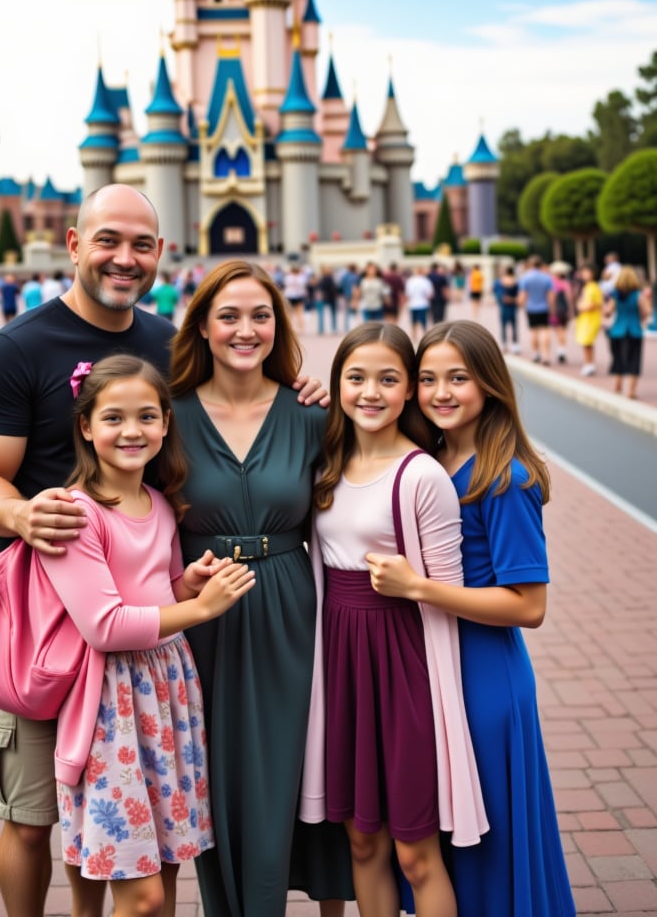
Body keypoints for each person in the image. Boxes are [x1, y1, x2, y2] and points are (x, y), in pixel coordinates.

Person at [0, 184, 324, 917]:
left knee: (140, 820)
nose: (124, 259)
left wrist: (299, 386)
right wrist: (30, 516)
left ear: (160, 254)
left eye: (141, 244)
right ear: (73, 244)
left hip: (145, 622)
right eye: (108, 241)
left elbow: (232, 404)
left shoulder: (167, 345)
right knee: (34, 816)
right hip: (45, 625)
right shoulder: (14, 350)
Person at [169, 260, 354, 917]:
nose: (245, 330)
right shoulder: (169, 418)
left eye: (260, 316)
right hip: (204, 615)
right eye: (229, 316)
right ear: (203, 328)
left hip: (290, 614)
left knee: (294, 767)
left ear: (278, 325)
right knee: (217, 774)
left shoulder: (311, 417)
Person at [40, 354, 255, 916]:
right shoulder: (77, 515)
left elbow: (155, 590)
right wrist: (201, 610)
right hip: (110, 704)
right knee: (143, 897)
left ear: (165, 423)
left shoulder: (158, 503)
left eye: (146, 417)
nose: (131, 431)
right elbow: (107, 626)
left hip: (167, 697)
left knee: (163, 865)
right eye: (113, 418)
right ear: (86, 426)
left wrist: (188, 584)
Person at [385, 320, 575, 917]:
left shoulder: (505, 478)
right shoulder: (433, 458)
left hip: (485, 676)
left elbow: (529, 605)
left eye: (458, 378)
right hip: (436, 666)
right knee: (446, 833)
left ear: (489, 384)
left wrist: (421, 589)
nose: (441, 392)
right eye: (428, 379)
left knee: (486, 836)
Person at [309, 323, 487, 917]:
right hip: (340, 662)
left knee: (415, 849)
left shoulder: (421, 476)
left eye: (388, 379)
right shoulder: (326, 464)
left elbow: (449, 592)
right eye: (356, 378)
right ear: (337, 384)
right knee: (362, 840)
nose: (371, 392)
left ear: (409, 389)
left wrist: (413, 585)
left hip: (402, 664)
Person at [604, 265, 652, 399]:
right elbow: (647, 312)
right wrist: (641, 317)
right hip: (634, 331)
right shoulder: (638, 295)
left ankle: (617, 386)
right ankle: (631, 391)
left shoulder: (615, 295)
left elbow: (607, 312)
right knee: (633, 360)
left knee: (618, 359)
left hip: (617, 331)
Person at [517, 255, 553, 365]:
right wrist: (551, 307)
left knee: (533, 331)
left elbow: (522, 296)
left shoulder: (525, 278)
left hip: (531, 308)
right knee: (545, 330)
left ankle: (536, 353)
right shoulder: (546, 277)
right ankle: (545, 355)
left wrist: (522, 306)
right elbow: (551, 295)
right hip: (544, 308)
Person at [574, 263, 603, 376]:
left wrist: (580, 306)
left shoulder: (594, 287)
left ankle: (589, 364)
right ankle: (589, 363)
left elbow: (595, 304)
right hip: (585, 319)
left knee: (587, 342)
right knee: (586, 343)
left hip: (591, 318)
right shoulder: (587, 286)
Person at [492, 264, 520, 354]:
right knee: (513, 325)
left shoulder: (499, 282)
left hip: (505, 306)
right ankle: (514, 344)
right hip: (512, 306)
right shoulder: (515, 281)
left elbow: (497, 294)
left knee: (504, 325)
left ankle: (505, 343)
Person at [548, 261, 572, 364]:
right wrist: (570, 309)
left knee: (558, 330)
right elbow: (569, 297)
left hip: (556, 308)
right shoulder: (566, 283)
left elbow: (552, 297)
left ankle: (560, 351)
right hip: (564, 308)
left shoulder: (552, 282)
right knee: (563, 330)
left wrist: (551, 309)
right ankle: (562, 350)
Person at [404, 266, 434, 344]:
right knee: (423, 320)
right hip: (423, 303)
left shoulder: (410, 281)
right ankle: (424, 334)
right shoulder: (426, 281)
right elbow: (430, 294)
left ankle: (414, 335)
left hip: (412, 304)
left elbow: (408, 293)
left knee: (413, 321)